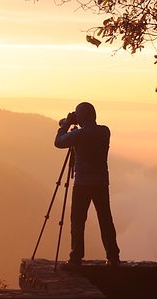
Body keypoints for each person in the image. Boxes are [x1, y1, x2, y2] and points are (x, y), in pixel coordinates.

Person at [54, 102, 120, 267]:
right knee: (105, 220)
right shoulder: (105, 131)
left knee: (77, 220)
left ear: (81, 116)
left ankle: (76, 258)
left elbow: (58, 142)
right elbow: (88, 133)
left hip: (82, 183)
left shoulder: (78, 135)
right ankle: (113, 256)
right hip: (101, 183)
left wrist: (67, 124)